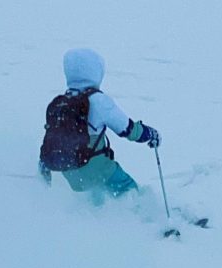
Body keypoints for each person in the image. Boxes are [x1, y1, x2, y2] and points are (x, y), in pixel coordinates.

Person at [39, 48, 161, 201]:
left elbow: (50, 140)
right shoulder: (98, 100)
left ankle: (100, 221)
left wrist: (44, 169)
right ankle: (146, 218)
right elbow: (127, 129)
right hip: (98, 168)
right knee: (128, 190)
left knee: (97, 198)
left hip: (70, 172)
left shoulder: (60, 103)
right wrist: (149, 134)